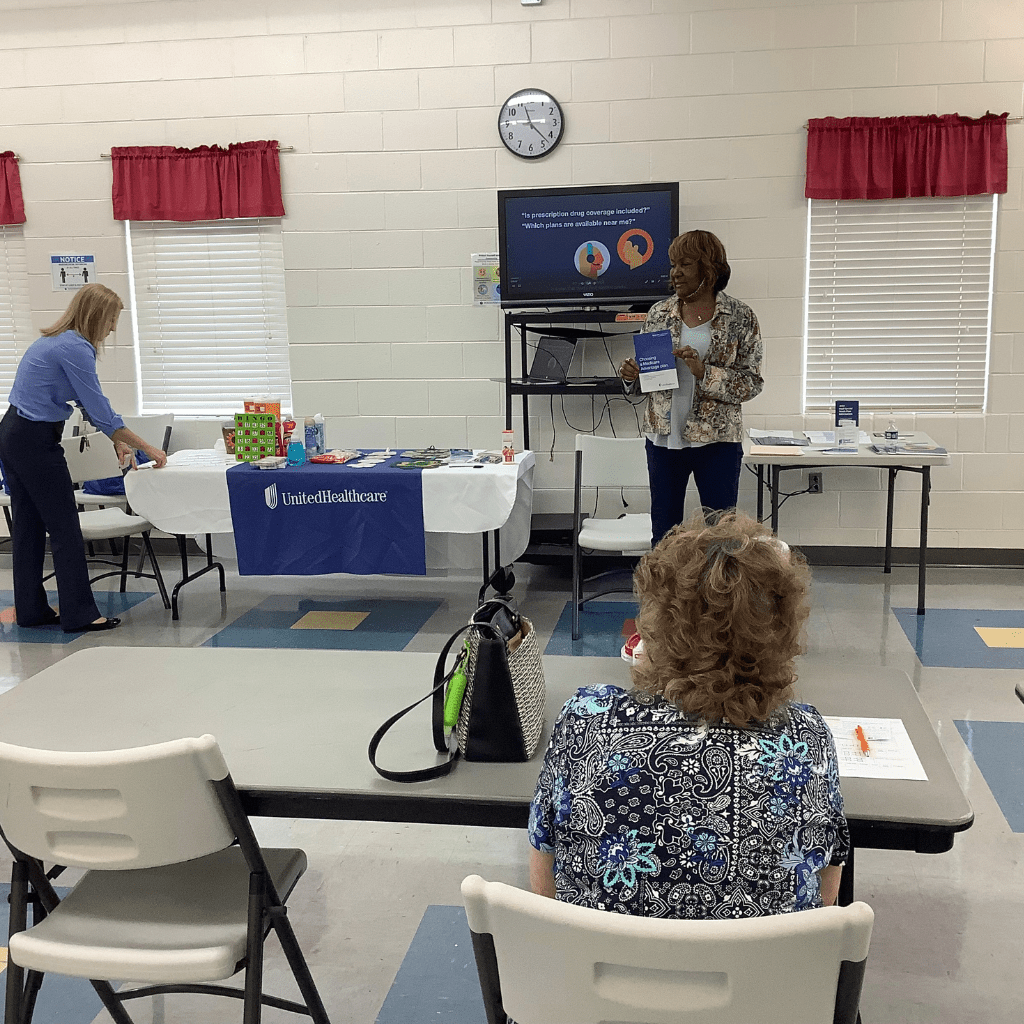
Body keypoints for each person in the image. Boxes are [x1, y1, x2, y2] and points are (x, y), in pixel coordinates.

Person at [529, 512, 849, 918]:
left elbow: (544, 886)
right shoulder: (807, 739)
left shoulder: (585, 719)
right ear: (781, 632)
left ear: (655, 624)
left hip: (602, 975)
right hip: (761, 980)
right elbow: (824, 898)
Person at [0, 284, 167, 633]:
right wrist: (147, 447)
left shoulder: (53, 341)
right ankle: (80, 614)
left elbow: (85, 404)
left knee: (29, 529)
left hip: (13, 434)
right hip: (34, 441)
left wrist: (117, 441)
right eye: (111, 320)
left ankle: (32, 611)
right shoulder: (76, 348)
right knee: (64, 528)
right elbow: (99, 407)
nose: (111, 329)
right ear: (96, 315)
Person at [619, 230, 763, 546]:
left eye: (685, 264)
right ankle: (666, 596)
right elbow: (647, 382)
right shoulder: (659, 313)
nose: (675, 272)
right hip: (663, 441)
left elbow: (752, 383)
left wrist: (704, 373)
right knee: (665, 537)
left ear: (708, 269)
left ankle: (719, 596)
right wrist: (632, 376)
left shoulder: (740, 317)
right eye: (673, 264)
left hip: (717, 443)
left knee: (722, 537)